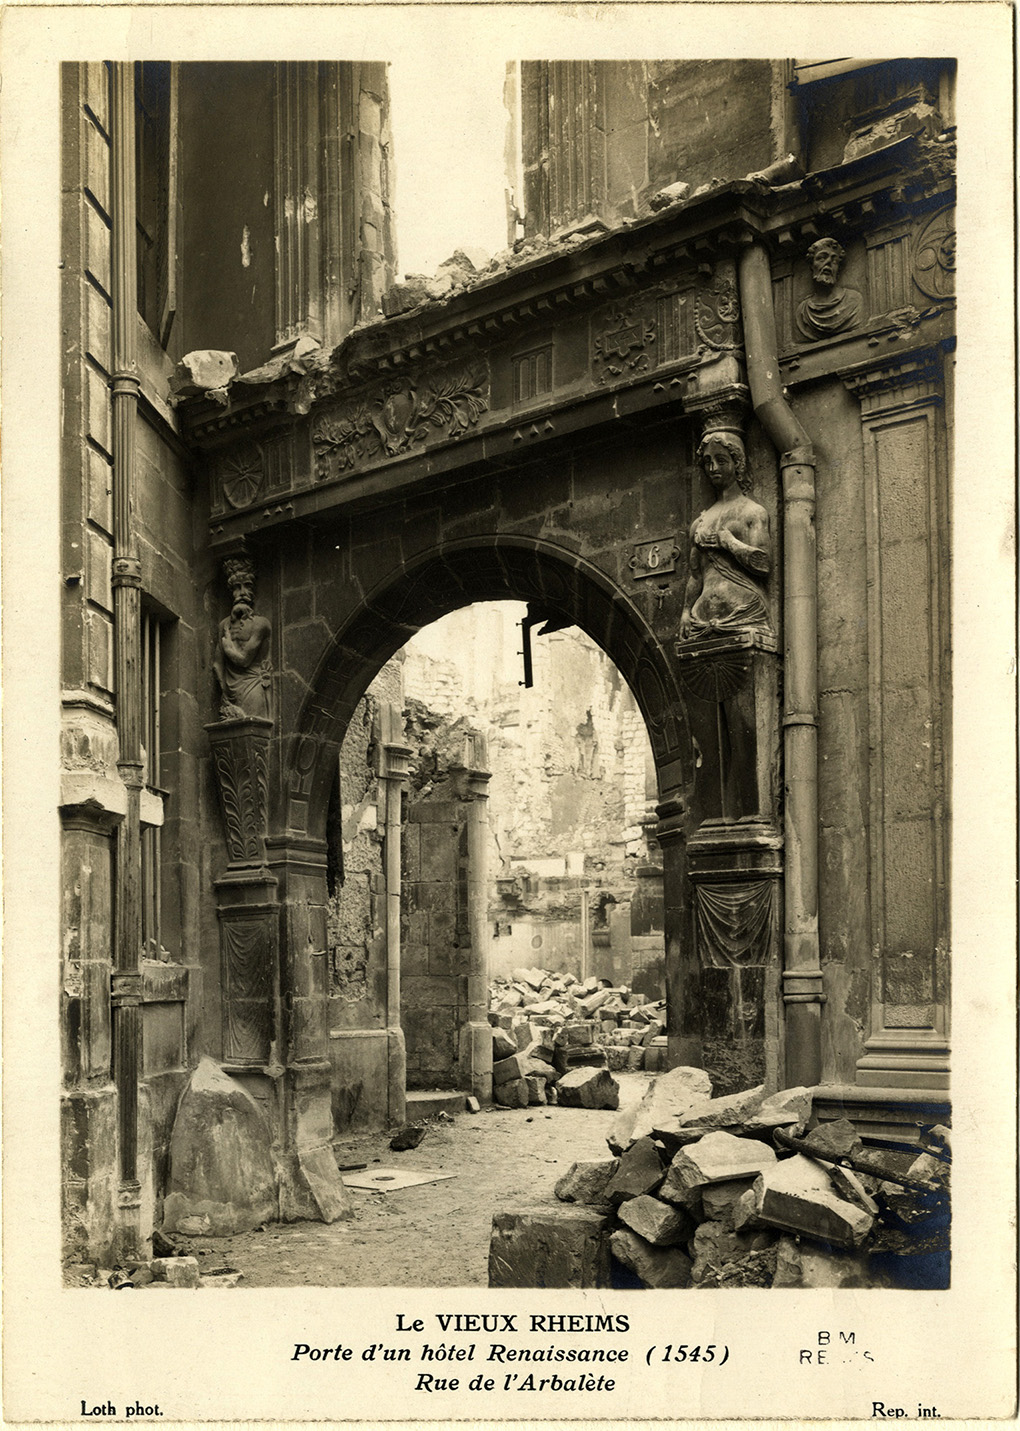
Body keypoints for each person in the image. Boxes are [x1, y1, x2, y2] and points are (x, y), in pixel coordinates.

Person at [679, 431, 772, 640]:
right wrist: (686, 611)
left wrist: (727, 542)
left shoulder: (752, 512)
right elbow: (695, 575)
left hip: (744, 612)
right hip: (701, 619)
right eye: (708, 462)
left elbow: (764, 563)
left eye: (721, 460)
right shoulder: (700, 522)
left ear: (737, 463)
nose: (713, 468)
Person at [214, 561, 273, 719]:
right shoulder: (224, 624)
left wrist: (228, 648)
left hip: (252, 687)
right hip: (230, 692)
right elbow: (217, 664)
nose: (242, 592)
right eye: (236, 588)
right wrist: (224, 691)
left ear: (253, 589)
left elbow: (244, 660)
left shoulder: (261, 624)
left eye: (247, 586)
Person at [796, 237, 863, 341]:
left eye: (834, 260)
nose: (828, 263)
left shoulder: (854, 300)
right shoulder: (803, 311)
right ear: (812, 265)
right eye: (822, 258)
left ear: (839, 268)